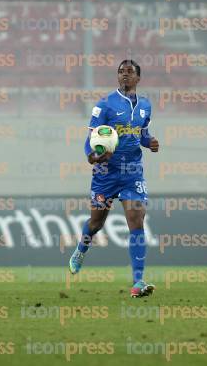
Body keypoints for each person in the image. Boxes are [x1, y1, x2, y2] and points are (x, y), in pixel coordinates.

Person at [68, 60, 160, 297]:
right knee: (96, 223)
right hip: (105, 174)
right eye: (121, 72)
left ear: (138, 78)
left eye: (129, 72)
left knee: (136, 220)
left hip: (132, 173)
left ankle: (138, 281)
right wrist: (93, 156)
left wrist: (149, 142)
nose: (124, 76)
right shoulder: (105, 105)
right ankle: (81, 248)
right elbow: (90, 140)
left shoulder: (145, 106)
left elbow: (142, 133)